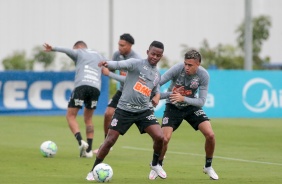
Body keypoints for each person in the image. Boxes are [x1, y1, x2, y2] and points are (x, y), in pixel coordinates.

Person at [86, 41, 167, 181]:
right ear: (148, 52)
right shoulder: (136, 63)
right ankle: (93, 170)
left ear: (161, 56)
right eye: (153, 54)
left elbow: (155, 89)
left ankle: (155, 164)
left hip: (144, 111)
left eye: (158, 55)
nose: (155, 57)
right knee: (110, 140)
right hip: (124, 110)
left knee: (160, 137)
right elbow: (119, 65)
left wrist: (157, 95)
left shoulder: (157, 75)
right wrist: (107, 63)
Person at [148, 49, 219, 180]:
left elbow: (201, 101)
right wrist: (160, 95)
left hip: (191, 106)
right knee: (164, 138)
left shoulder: (204, 75)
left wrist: (184, 99)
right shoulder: (177, 68)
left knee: (210, 135)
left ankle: (208, 166)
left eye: (190, 65)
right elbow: (157, 84)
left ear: (198, 64)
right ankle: (158, 164)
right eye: (185, 64)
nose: (186, 67)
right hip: (173, 106)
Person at [43, 41, 105, 158]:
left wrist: (53, 48)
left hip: (82, 85)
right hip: (95, 88)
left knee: (71, 116)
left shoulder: (79, 51)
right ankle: (89, 151)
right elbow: (110, 64)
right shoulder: (99, 55)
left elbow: (66, 50)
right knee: (89, 119)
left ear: (78, 47)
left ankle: (81, 141)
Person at [93, 33, 141, 154]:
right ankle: (106, 144)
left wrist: (109, 74)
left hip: (135, 93)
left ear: (130, 45)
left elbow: (130, 81)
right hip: (122, 91)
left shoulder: (136, 59)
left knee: (145, 122)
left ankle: (160, 148)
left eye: (122, 45)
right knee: (108, 113)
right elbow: (112, 68)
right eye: (119, 44)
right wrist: (105, 65)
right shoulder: (117, 55)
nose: (119, 47)